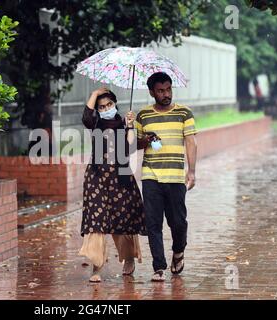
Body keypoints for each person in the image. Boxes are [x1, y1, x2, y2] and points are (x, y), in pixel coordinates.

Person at [79, 87, 147, 282]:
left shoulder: (123, 123)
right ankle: (97, 267)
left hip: (121, 179)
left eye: (109, 104)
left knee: (123, 220)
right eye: (102, 106)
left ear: (115, 104)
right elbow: (86, 117)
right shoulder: (96, 123)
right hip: (97, 179)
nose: (106, 108)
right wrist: (93, 93)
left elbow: (131, 147)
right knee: (96, 222)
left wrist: (131, 126)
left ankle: (129, 259)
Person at [135, 72, 197, 282]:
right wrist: (145, 138)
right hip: (150, 175)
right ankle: (158, 267)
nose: (165, 94)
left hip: (175, 176)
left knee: (178, 222)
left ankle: (178, 251)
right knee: (153, 223)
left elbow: (191, 142)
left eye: (168, 89)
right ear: (152, 92)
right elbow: (134, 144)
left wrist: (192, 171)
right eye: (160, 91)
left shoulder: (184, 113)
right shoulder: (143, 115)